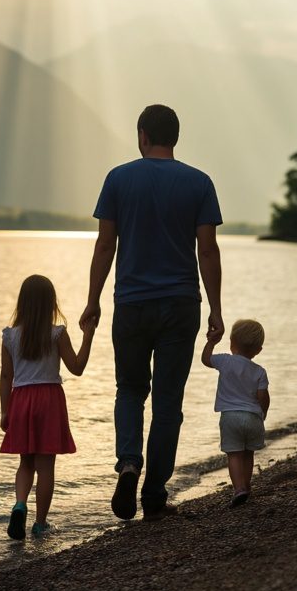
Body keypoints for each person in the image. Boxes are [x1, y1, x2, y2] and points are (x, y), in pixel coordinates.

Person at [80, 103, 223, 522]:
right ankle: (154, 491)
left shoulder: (118, 179)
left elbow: (105, 245)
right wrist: (216, 308)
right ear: (174, 137)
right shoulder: (199, 183)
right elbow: (208, 250)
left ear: (142, 135)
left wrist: (93, 299)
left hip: (131, 304)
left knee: (129, 390)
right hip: (181, 305)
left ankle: (128, 461)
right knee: (167, 403)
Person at [0, 274, 96, 539]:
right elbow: (76, 368)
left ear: (22, 303)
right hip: (49, 400)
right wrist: (88, 335)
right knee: (46, 467)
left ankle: (20, 505)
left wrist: (5, 410)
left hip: (20, 399)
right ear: (50, 303)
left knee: (25, 463)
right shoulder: (56, 333)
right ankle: (40, 523)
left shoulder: (10, 336)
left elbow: (6, 376)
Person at [201, 318, 270, 507]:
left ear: (232, 343)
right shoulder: (259, 371)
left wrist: (211, 342)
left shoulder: (225, 361)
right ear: (258, 350)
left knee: (234, 454)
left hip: (230, 417)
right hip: (252, 417)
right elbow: (263, 396)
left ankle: (239, 488)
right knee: (248, 454)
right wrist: (262, 413)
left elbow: (206, 359)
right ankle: (246, 486)